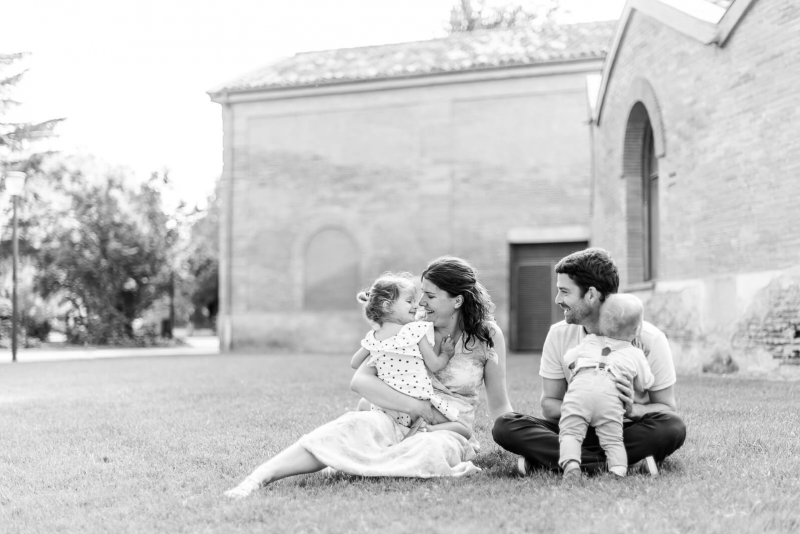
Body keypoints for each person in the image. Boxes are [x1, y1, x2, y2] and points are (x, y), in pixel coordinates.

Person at [224, 256, 512, 498]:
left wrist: (521, 448)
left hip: (447, 429)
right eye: (421, 292)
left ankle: (354, 459)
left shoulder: (488, 336)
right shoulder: (411, 328)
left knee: (428, 449)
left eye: (431, 295)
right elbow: (361, 380)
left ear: (458, 300)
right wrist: (416, 408)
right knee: (350, 425)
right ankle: (259, 477)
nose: (421, 301)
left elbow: (500, 406)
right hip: (396, 416)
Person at [493, 247, 686, 476]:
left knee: (673, 426)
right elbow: (549, 405)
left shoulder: (649, 339)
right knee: (506, 425)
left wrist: (634, 410)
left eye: (564, 292)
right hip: (574, 424)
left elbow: (666, 407)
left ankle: (559, 461)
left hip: (623, 427)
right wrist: (582, 403)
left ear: (591, 295)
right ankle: (624, 464)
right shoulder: (559, 334)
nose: (557, 300)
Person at [350, 271, 469, 439]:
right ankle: (428, 431)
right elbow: (435, 365)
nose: (416, 305)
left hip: (388, 406)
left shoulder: (373, 338)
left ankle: (368, 436)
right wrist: (446, 353)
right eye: (409, 301)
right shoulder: (415, 331)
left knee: (364, 406)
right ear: (386, 306)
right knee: (464, 429)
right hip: (419, 401)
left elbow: (354, 363)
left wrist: (376, 351)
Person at [559, 293, 654, 479]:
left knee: (570, 432)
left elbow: (568, 359)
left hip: (580, 394)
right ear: (637, 330)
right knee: (613, 440)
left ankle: (571, 464)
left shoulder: (590, 341)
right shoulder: (635, 353)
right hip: (610, 400)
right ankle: (617, 471)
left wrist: (579, 368)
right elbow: (645, 383)